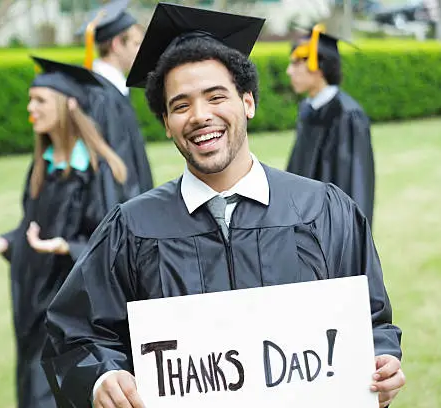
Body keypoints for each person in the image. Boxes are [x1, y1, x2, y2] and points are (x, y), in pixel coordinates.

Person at [43, 3, 405, 408]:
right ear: (166, 123)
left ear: (247, 102)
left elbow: (370, 319)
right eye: (180, 105)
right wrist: (101, 378)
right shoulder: (132, 228)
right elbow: (74, 335)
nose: (200, 116)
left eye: (216, 96)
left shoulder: (323, 211)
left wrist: (381, 359)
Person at [0, 56, 128, 408]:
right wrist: (5, 241)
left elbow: (111, 245)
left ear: (68, 103)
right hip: (33, 303)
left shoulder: (96, 169)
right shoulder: (42, 165)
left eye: (40, 100)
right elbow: (31, 227)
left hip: (69, 306)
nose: (31, 108)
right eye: (31, 99)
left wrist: (65, 247)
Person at [285, 24, 376, 226]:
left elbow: (355, 186)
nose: (289, 71)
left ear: (318, 66)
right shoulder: (308, 109)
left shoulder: (348, 116)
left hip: (333, 231)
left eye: (295, 63)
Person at [76, 0, 154, 199]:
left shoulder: (109, 89)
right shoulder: (101, 95)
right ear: (117, 44)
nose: (141, 51)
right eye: (137, 43)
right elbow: (116, 166)